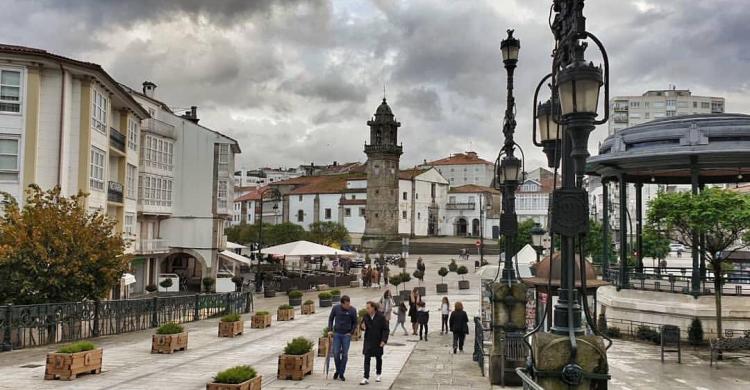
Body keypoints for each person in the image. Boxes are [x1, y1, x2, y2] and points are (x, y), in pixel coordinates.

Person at [328, 295, 358, 381]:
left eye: (349, 303)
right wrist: (330, 330)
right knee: (336, 353)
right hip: (337, 333)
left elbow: (355, 323)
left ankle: (341, 373)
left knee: (345, 354)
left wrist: (351, 332)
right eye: (346, 304)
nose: (348, 306)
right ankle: (338, 370)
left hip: (346, 335)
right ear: (342, 304)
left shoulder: (352, 310)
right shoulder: (336, 308)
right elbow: (331, 319)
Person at [360, 301, 389, 385]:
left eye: (368, 308)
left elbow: (385, 329)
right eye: (367, 308)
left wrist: (383, 340)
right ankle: (366, 377)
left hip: (378, 340)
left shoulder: (381, 317)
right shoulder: (366, 316)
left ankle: (378, 374)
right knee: (366, 358)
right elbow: (362, 326)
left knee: (378, 357)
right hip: (368, 340)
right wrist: (362, 327)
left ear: (373, 308)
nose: (367, 309)